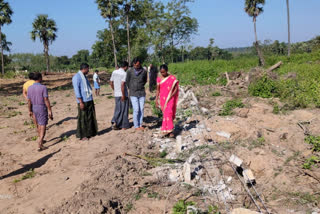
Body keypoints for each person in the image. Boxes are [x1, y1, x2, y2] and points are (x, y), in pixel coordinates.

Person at [27, 72, 53, 151]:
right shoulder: (43, 87)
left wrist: (29, 110)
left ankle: (40, 139)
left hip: (34, 107)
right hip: (41, 107)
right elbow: (46, 99)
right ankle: (40, 142)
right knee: (43, 125)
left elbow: (29, 100)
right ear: (40, 78)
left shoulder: (29, 88)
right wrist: (50, 110)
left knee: (38, 124)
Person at [72, 63, 98, 141]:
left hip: (89, 99)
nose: (88, 70)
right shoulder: (76, 77)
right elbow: (77, 91)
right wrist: (81, 102)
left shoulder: (84, 77)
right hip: (83, 100)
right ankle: (83, 135)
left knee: (90, 117)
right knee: (83, 118)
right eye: (88, 69)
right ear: (85, 68)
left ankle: (90, 133)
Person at [156, 64, 179, 138]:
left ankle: (171, 130)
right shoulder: (159, 79)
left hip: (170, 98)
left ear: (167, 71)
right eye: (161, 72)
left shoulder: (172, 78)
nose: (163, 73)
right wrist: (156, 100)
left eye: (164, 72)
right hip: (163, 99)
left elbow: (175, 88)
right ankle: (166, 130)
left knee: (169, 113)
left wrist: (171, 95)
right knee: (165, 114)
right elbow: (158, 90)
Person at [126, 57, 148, 131]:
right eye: (135, 65)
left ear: (140, 64)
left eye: (138, 65)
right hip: (133, 93)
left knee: (141, 109)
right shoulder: (130, 71)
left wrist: (140, 86)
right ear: (133, 64)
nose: (136, 66)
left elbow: (145, 80)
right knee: (136, 109)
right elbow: (127, 81)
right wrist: (132, 87)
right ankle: (136, 125)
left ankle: (140, 124)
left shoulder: (144, 71)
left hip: (141, 93)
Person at [110, 61, 130, 130]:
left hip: (116, 94)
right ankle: (123, 125)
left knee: (118, 109)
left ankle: (115, 121)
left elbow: (111, 83)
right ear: (126, 67)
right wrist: (123, 95)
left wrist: (115, 90)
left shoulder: (114, 72)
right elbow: (122, 85)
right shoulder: (124, 73)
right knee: (124, 110)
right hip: (123, 94)